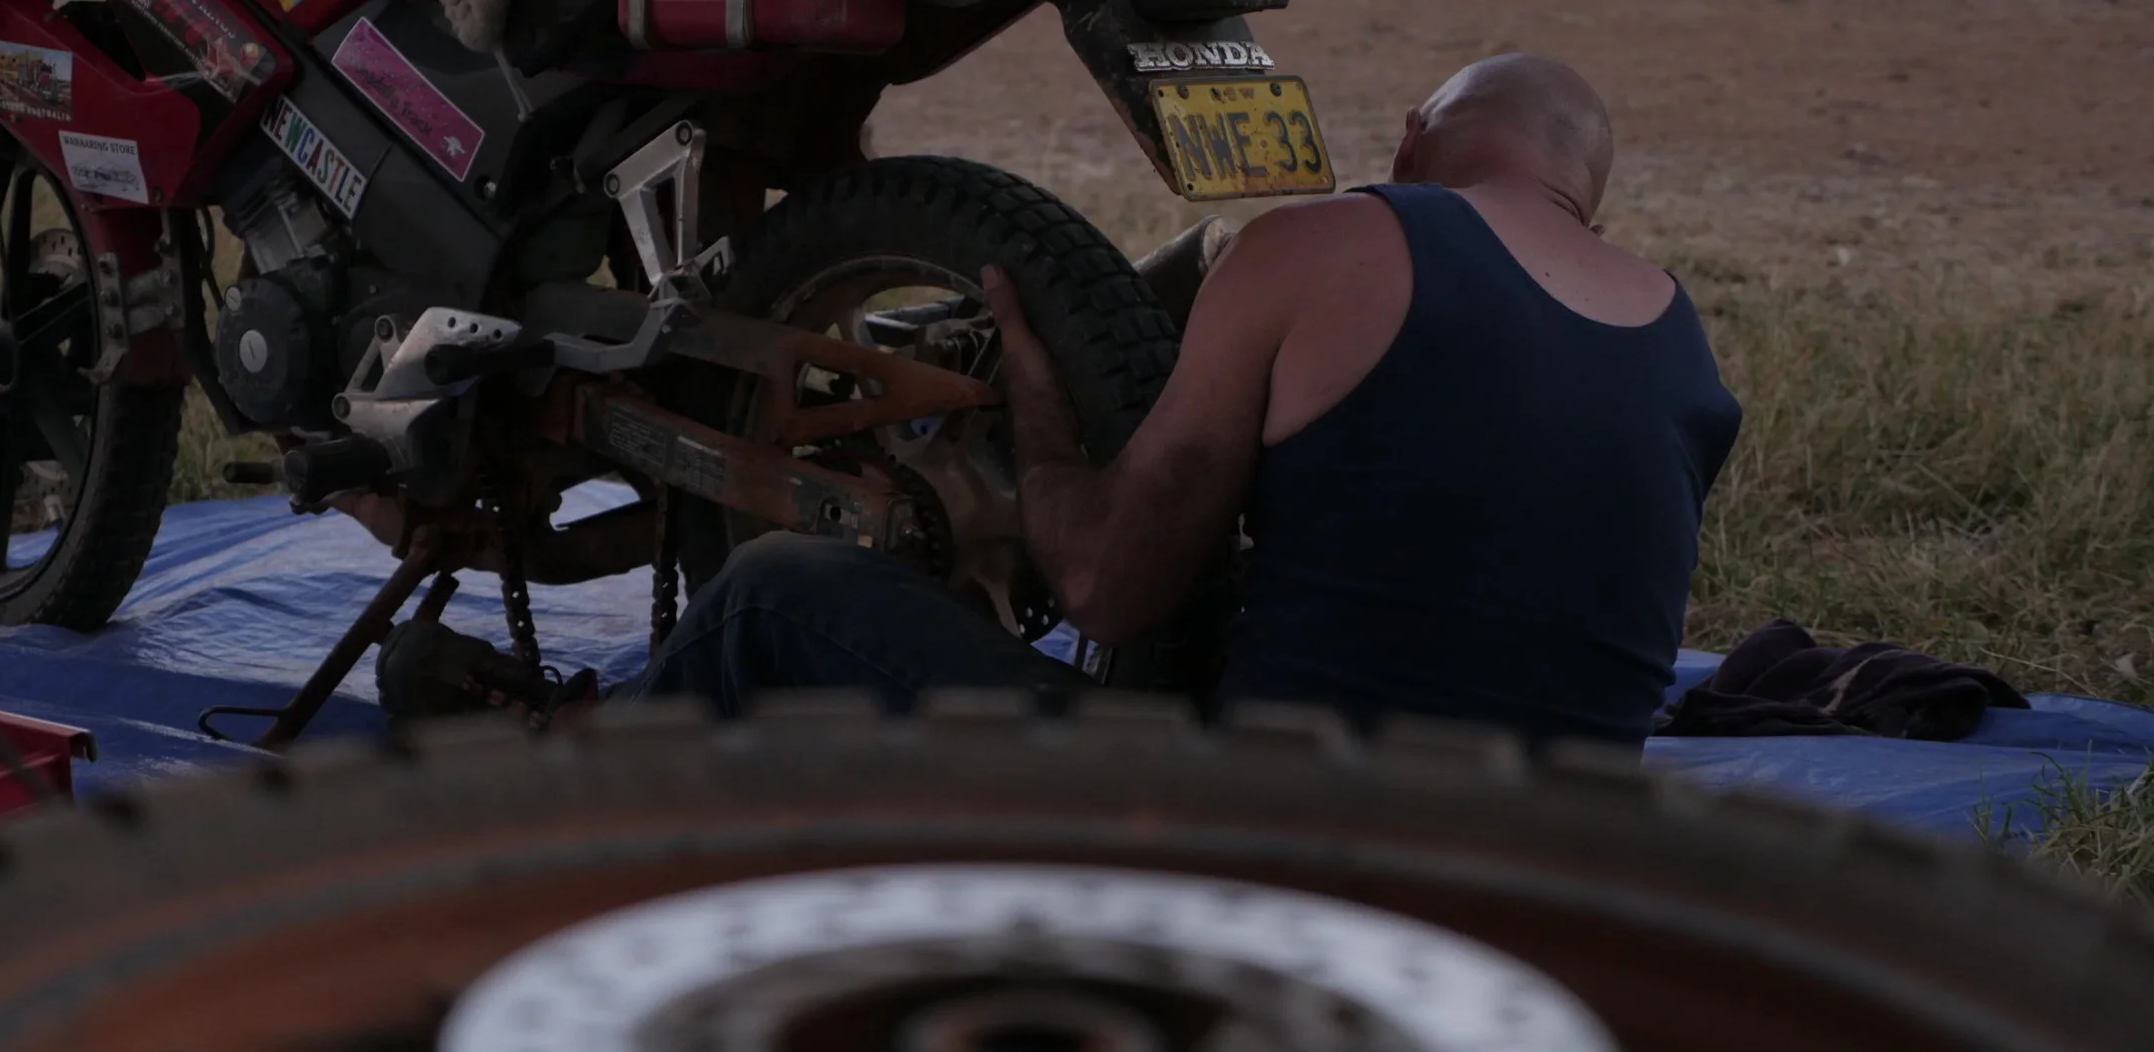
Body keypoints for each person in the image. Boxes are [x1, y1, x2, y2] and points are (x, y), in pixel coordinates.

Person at [385, 54, 1743, 747]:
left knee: (778, 592)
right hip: (1554, 876)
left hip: (1281, 851)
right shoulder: (1684, 350)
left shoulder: (1328, 243)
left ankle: (558, 785)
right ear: (1586, 197)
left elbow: (1100, 583)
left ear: (1408, 141)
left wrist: (1039, 402)